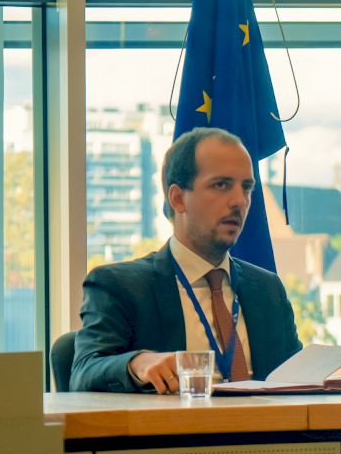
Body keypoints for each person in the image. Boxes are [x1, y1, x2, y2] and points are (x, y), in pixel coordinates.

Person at [70, 127, 301, 393]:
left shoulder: (267, 289)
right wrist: (137, 363)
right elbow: (83, 372)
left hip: (266, 421)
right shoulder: (121, 286)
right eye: (221, 185)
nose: (239, 201)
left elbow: (298, 379)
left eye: (246, 188)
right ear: (178, 198)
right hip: (177, 420)